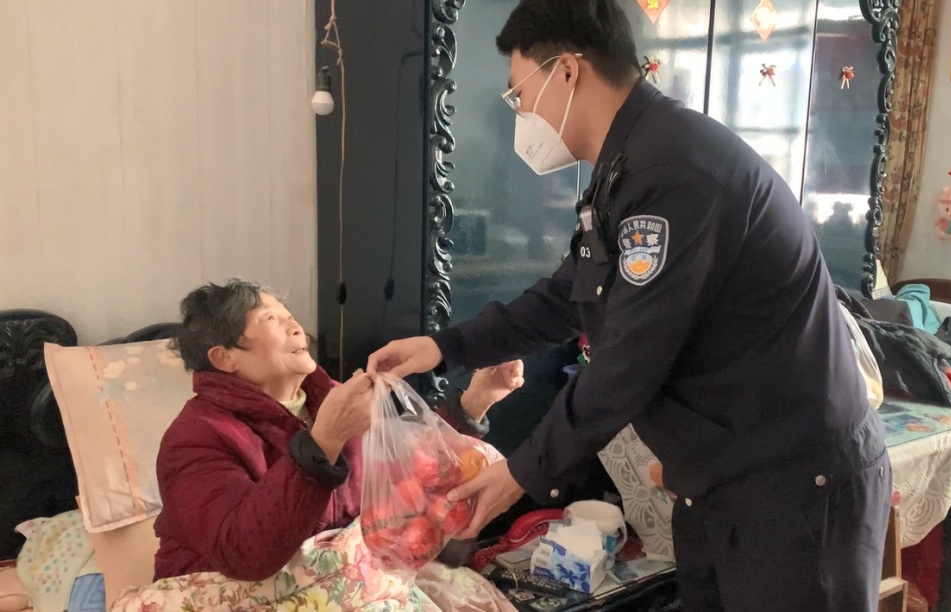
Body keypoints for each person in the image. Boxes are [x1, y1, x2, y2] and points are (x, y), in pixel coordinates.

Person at [366, 1, 891, 610]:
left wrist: (521, 471)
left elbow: (630, 358)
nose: (521, 114)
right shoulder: (628, 165)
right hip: (725, 481)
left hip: (795, 488)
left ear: (567, 71)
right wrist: (443, 347)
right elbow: (567, 297)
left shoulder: (675, 169)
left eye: (519, 95)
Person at [153, 279, 524, 582]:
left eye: (290, 316)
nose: (296, 326)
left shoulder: (329, 398)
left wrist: (474, 404)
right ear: (225, 357)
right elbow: (243, 554)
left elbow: (412, 474)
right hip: (229, 592)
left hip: (331, 583)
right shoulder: (195, 437)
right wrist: (323, 443)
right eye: (271, 320)